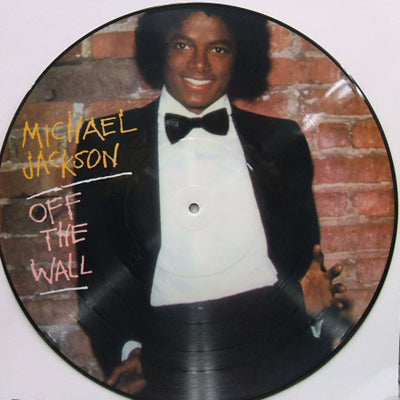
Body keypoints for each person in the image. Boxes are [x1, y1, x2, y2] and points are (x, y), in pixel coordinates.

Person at [75, 5, 346, 399]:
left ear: (240, 56)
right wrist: (129, 351)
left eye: (219, 49)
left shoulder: (282, 140)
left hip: (279, 346)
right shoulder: (106, 143)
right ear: (159, 49)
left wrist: (316, 314)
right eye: (182, 45)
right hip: (162, 358)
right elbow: (96, 265)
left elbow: (305, 258)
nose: (199, 64)